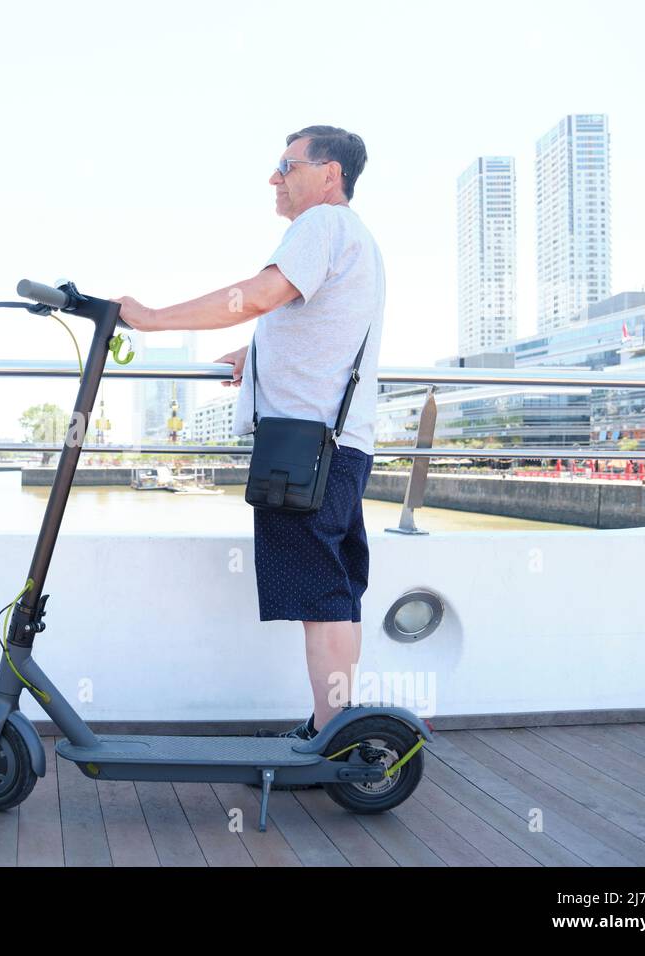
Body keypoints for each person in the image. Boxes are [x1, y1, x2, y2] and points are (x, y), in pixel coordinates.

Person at [115, 124, 386, 751]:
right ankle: (332, 725)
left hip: (305, 448)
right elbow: (321, 324)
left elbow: (261, 293)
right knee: (337, 592)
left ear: (329, 175)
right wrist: (256, 353)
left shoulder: (321, 225)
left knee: (321, 597)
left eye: (286, 165)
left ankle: (336, 740)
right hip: (341, 445)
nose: (274, 177)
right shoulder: (356, 239)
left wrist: (153, 319)